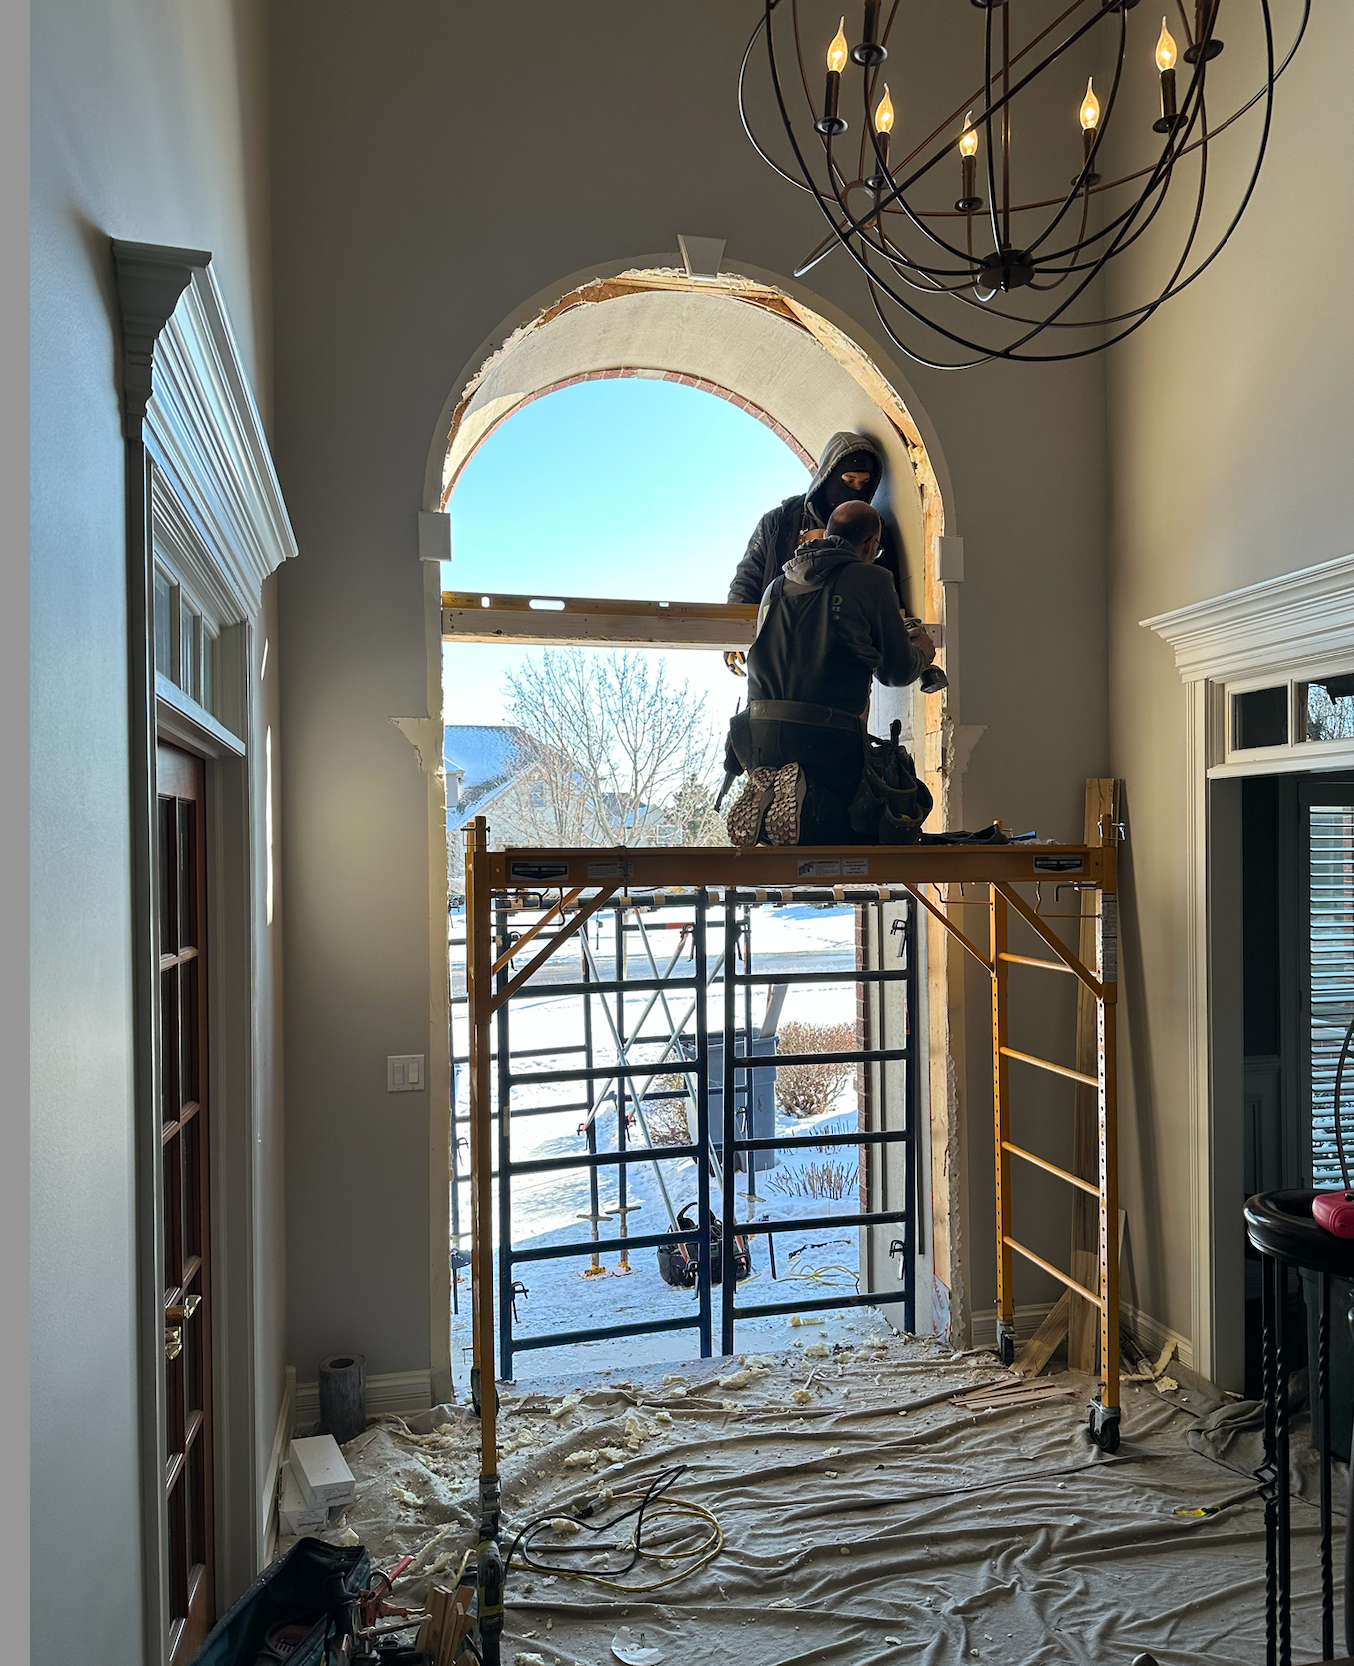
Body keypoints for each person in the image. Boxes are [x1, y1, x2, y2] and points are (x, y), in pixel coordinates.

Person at [722, 500, 935, 847]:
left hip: (761, 738)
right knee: (873, 825)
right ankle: (804, 805)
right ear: (870, 545)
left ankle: (779, 806)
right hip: (827, 738)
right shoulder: (873, 578)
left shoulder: (775, 588)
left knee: (808, 828)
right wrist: (921, 654)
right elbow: (895, 673)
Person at [727, 429, 908, 607]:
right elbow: (746, 583)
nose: (856, 490)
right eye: (849, 481)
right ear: (829, 475)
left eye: (865, 483)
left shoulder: (875, 529)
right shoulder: (778, 522)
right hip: (781, 622)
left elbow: (890, 597)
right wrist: (742, 624)